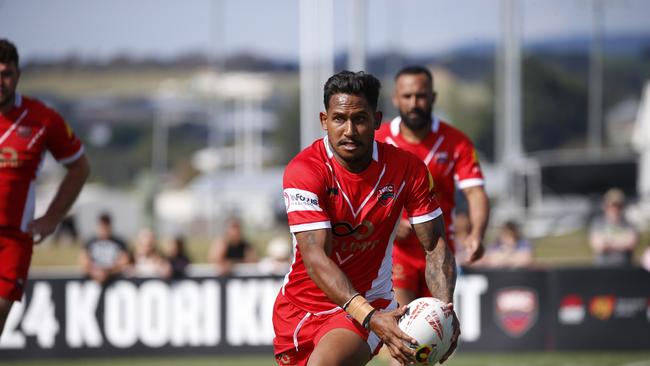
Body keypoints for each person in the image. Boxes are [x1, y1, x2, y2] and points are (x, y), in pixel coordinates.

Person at [273, 70, 459, 366]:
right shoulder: (304, 171)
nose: (349, 130)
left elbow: (435, 243)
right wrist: (370, 317)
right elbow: (315, 256)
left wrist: (444, 311)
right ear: (324, 121)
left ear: (376, 120)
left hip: (370, 304)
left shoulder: (407, 169)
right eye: (339, 119)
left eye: (359, 119)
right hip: (296, 309)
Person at [375, 65, 489, 314]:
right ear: (396, 99)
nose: (414, 103)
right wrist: (391, 223)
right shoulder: (379, 141)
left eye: (421, 95)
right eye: (407, 96)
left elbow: (475, 192)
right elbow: (363, 193)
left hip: (439, 250)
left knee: (438, 332)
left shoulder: (456, 141)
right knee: (401, 334)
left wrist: (477, 233)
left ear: (433, 97)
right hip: (395, 253)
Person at [0, 39, 90, 337]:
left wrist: (52, 218)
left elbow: (80, 167)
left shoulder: (42, 119)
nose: (0, 81)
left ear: (18, 75)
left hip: (13, 239)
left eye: (6, 73)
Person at [589, 188, 639, 267]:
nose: (615, 209)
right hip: (603, 268)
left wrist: (608, 241)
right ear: (605, 206)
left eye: (618, 206)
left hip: (625, 268)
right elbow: (599, 246)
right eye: (612, 206)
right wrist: (621, 241)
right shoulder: (598, 224)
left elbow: (631, 244)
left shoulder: (629, 224)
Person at [79, 212, 130, 283]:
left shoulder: (120, 242)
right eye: (102, 225)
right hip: (93, 281)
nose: (104, 229)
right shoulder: (90, 242)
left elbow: (124, 261)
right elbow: (83, 261)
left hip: (115, 280)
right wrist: (95, 272)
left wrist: (107, 272)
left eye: (106, 225)